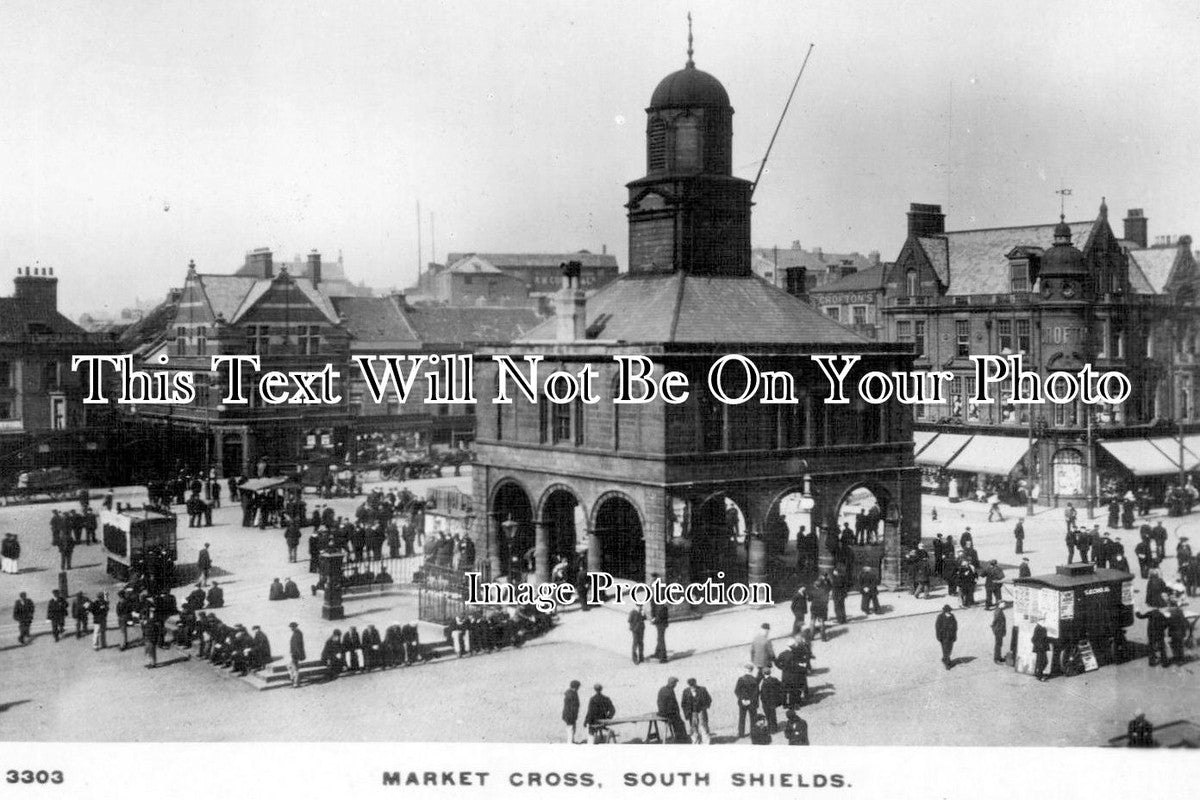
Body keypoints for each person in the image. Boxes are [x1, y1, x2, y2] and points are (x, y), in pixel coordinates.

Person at [681, 677, 712, 744]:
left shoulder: (702, 690)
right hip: (692, 712)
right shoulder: (685, 692)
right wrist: (687, 713)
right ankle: (695, 742)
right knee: (693, 727)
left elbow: (709, 699)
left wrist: (704, 708)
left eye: (694, 684)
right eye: (691, 685)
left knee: (703, 726)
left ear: (696, 683)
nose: (693, 686)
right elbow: (683, 703)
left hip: (701, 711)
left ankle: (706, 742)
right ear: (689, 685)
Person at [657, 677, 688, 743]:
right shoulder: (666, 690)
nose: (676, 685)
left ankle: (680, 740)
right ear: (672, 683)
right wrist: (669, 714)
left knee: (680, 723)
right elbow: (665, 704)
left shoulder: (667, 689)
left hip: (669, 713)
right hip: (667, 713)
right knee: (680, 724)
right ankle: (681, 741)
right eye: (675, 683)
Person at [734, 664, 759, 738]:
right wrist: (751, 701)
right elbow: (756, 692)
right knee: (753, 718)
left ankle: (741, 734)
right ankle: (753, 733)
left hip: (743, 702)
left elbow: (736, 691)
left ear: (745, 670)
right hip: (752, 702)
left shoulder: (741, 679)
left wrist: (742, 699)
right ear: (752, 670)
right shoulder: (755, 679)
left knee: (742, 718)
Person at [758, 667, 784, 733]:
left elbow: (764, 693)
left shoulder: (765, 682)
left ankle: (771, 729)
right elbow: (781, 687)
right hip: (773, 701)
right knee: (773, 715)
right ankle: (774, 728)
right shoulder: (774, 679)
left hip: (767, 702)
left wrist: (762, 699)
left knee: (768, 715)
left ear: (763, 673)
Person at [935, 605, 957, 670]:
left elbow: (955, 626)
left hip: (951, 636)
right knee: (945, 650)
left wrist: (955, 636)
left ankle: (945, 658)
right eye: (947, 611)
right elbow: (937, 627)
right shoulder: (940, 617)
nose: (949, 612)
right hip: (944, 636)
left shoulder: (952, 616)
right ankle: (947, 664)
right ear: (944, 611)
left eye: (949, 611)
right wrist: (938, 636)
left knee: (950, 649)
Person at [650, 592, 669, 663]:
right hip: (661, 622)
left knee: (661, 639)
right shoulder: (656, 598)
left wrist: (654, 619)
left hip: (662, 622)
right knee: (659, 638)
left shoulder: (661, 601)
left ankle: (663, 657)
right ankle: (657, 653)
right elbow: (654, 609)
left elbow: (661, 612)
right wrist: (653, 618)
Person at [286, 622, 305, 688]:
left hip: (295, 654)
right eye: (290, 627)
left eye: (292, 627)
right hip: (294, 653)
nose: (291, 628)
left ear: (295, 627)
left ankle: (295, 683)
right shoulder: (296, 633)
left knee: (295, 668)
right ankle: (293, 681)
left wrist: (296, 654)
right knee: (290, 666)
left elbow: (298, 645)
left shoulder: (298, 633)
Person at [562, 680, 581, 744]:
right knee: (570, 729)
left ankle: (571, 741)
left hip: (570, 714)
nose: (578, 688)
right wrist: (573, 715)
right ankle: (570, 742)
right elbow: (572, 706)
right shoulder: (571, 694)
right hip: (570, 714)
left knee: (572, 728)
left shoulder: (571, 693)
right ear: (576, 687)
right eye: (578, 687)